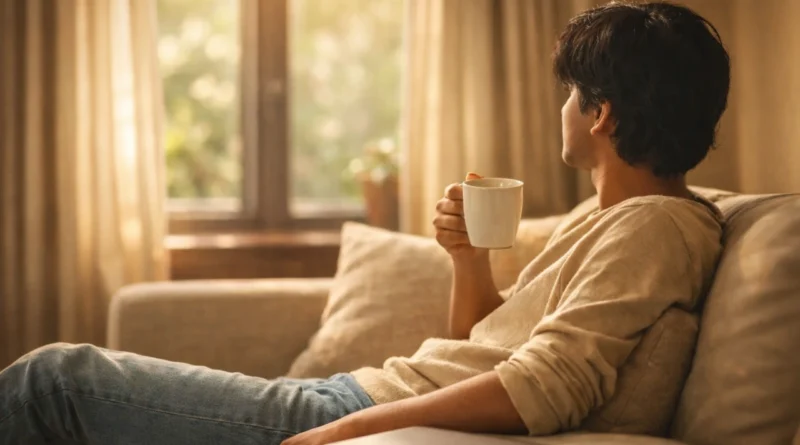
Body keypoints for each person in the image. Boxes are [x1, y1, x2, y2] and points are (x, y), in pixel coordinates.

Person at [0, 2, 731, 444]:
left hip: (357, 406)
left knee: (55, 380)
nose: (564, 107)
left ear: (601, 114)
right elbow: (482, 348)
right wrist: (468, 260)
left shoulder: (657, 229)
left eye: (574, 92)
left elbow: (547, 385)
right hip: (367, 393)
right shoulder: (607, 219)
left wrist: (355, 426)